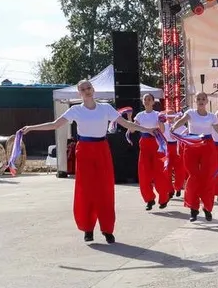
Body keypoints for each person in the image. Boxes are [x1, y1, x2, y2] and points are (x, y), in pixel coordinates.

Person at [21, 79, 149, 243]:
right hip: (84, 150)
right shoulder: (76, 110)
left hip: (102, 149)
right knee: (86, 189)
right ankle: (88, 228)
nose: (87, 91)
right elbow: (55, 124)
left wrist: (147, 130)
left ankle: (107, 229)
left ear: (93, 89)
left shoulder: (105, 108)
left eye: (89, 87)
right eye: (83, 89)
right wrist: (32, 127)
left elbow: (126, 124)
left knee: (105, 190)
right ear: (79, 93)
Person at [171, 92, 218, 222]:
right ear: (195, 101)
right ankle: (193, 209)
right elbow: (181, 121)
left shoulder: (212, 117)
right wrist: (173, 127)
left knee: (207, 177)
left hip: (207, 146)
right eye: (198, 99)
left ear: (206, 101)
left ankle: (207, 207)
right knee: (193, 177)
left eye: (203, 99)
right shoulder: (190, 113)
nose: (201, 101)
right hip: (192, 144)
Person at [134, 94, 172, 211]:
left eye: (149, 99)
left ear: (153, 102)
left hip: (157, 143)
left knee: (159, 173)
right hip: (145, 144)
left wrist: (160, 121)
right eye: (145, 99)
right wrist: (130, 117)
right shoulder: (139, 115)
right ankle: (149, 199)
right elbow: (132, 128)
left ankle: (163, 198)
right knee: (144, 173)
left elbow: (163, 130)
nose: (146, 101)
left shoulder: (157, 114)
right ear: (142, 101)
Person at [162, 113, 186, 198]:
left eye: (172, 117)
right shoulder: (164, 125)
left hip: (178, 147)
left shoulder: (179, 126)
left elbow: (187, 132)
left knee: (180, 170)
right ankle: (170, 190)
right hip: (167, 147)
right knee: (166, 170)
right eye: (169, 117)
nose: (170, 119)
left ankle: (178, 187)